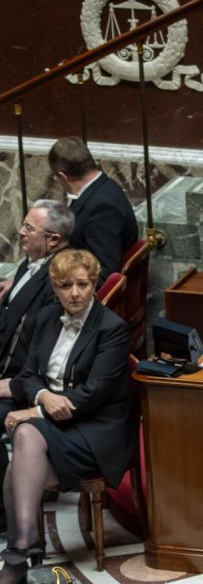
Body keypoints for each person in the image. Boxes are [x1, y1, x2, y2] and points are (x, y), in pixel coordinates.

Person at [0, 249, 131, 584]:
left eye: (83, 284)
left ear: (94, 285)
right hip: (54, 423)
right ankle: (25, 548)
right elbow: (27, 375)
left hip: (94, 430)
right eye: (65, 285)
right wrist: (43, 396)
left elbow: (93, 395)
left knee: (25, 436)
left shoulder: (112, 329)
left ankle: (20, 555)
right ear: (54, 288)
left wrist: (37, 409)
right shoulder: (45, 317)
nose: (74, 293)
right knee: (20, 456)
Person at [0, 200, 74, 526]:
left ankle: (4, 514)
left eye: (29, 228)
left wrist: (12, 384)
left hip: (26, 382)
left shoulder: (58, 281)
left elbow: (40, 348)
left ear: (54, 240)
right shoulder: (34, 260)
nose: (21, 232)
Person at [48, 136, 137, 281]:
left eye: (57, 179)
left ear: (63, 176)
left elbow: (102, 272)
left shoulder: (103, 208)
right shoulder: (104, 186)